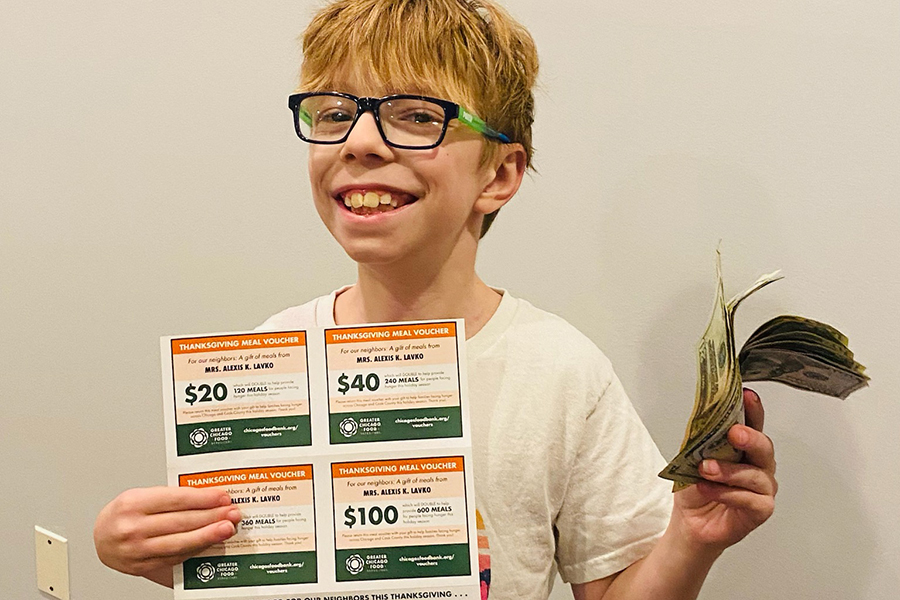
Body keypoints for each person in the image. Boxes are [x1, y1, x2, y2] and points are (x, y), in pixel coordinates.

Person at [93, 1, 778, 598]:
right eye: (333, 112)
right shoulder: (271, 358)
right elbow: (258, 567)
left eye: (417, 117)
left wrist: (692, 538)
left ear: (500, 172)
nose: (359, 141)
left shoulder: (559, 371)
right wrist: (156, 554)